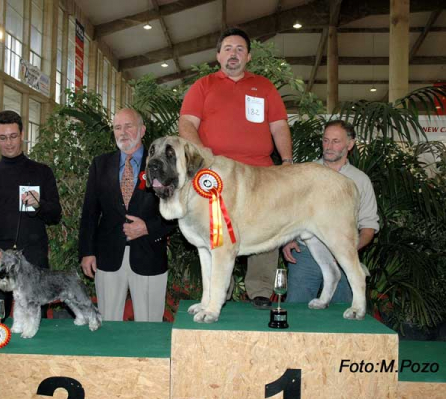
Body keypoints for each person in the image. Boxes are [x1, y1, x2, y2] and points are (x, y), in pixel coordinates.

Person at [179, 27, 293, 309]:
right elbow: (186, 124)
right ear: (218, 55)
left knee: (268, 226)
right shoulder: (202, 86)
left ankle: (262, 291)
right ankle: (220, 294)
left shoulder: (264, 87)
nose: (234, 54)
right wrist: (204, 156)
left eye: (240, 49)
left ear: (249, 56)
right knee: (215, 233)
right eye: (228, 48)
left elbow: (279, 127)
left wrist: (288, 162)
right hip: (215, 176)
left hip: (261, 173)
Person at [79, 108, 176, 322]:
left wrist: (148, 228)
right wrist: (87, 252)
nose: (122, 132)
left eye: (129, 126)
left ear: (142, 130)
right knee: (108, 326)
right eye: (117, 127)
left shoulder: (162, 164)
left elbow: (175, 210)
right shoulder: (100, 164)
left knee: (149, 327)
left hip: (149, 255)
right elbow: (89, 212)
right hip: (107, 257)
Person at [0, 110, 62, 327]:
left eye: (13, 136)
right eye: (2, 138)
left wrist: (39, 205)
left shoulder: (42, 172)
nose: (9, 143)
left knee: (34, 325)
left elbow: (55, 216)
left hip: (34, 262)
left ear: (22, 134)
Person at [282, 120, 379, 303]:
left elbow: (368, 227)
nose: (329, 146)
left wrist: (348, 251)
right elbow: (287, 214)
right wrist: (287, 240)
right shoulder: (303, 174)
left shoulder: (361, 180)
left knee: (342, 318)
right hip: (305, 254)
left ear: (350, 144)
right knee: (296, 314)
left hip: (343, 258)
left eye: (336, 141)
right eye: (326, 140)